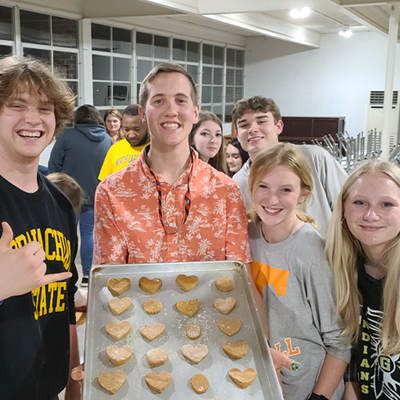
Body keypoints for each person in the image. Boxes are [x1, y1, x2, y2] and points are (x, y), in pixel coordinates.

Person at [93, 63, 251, 265]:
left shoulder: (226, 191)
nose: (171, 110)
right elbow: (110, 281)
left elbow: (239, 275)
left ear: (195, 113)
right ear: (142, 114)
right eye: (159, 100)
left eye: (180, 100)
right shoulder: (112, 192)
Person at [0, 56, 80, 399]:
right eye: (16, 105)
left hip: (47, 389)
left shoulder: (60, 204)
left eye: (45, 108)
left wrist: (75, 381)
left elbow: (67, 305)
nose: (33, 118)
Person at [248, 143, 350, 400]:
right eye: (263, 186)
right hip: (264, 382)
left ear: (303, 194)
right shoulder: (246, 236)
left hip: (308, 386)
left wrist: (319, 396)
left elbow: (339, 341)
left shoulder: (310, 250)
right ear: (251, 187)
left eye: (285, 190)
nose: (272, 199)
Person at [325, 160, 400, 400]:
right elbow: (353, 355)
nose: (371, 215)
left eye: (386, 204)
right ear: (344, 209)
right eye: (359, 202)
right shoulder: (340, 268)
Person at [232, 96, 348, 236]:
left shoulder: (315, 158)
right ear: (237, 135)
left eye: (261, 121)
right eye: (244, 125)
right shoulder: (238, 182)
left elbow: (347, 206)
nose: (253, 129)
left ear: (278, 126)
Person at [48, 104, 113, 286]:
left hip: (67, 196)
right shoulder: (108, 140)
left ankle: (62, 273)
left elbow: (54, 166)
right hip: (95, 195)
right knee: (88, 234)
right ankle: (86, 276)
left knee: (64, 235)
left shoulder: (66, 137)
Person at [98, 104, 150, 180]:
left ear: (148, 125)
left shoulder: (160, 149)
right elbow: (105, 185)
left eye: (137, 129)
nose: (131, 135)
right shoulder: (115, 149)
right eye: (126, 130)